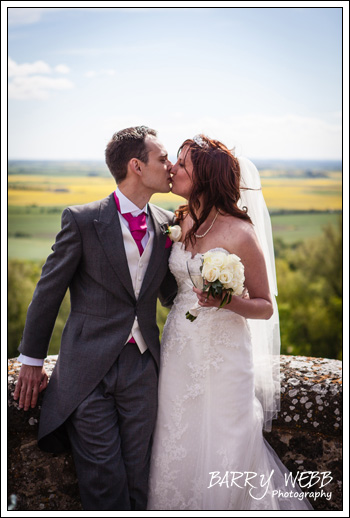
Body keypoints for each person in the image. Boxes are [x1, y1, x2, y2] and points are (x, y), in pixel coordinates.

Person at [13, 126, 177, 511]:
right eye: (163, 158)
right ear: (136, 166)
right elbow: (48, 292)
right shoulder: (83, 221)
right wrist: (32, 362)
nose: (170, 166)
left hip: (143, 368)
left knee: (139, 479)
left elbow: (172, 293)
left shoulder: (170, 224)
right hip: (87, 371)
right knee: (103, 481)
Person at [147, 134, 313, 510]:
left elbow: (265, 306)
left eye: (183, 164)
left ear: (203, 177)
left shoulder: (240, 232)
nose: (173, 168)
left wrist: (228, 301)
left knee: (226, 441)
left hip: (224, 356)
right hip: (179, 350)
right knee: (176, 437)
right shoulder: (180, 220)